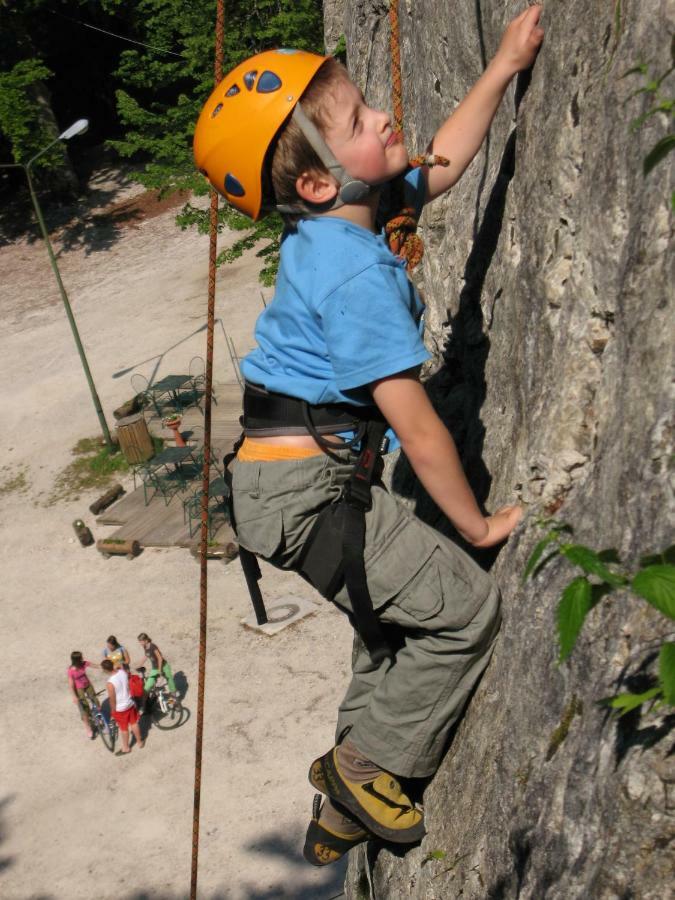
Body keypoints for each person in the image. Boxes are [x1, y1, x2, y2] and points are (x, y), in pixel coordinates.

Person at [193, 5, 544, 865]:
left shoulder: (342, 219)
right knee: (462, 611)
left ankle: (341, 808)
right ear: (316, 183)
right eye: (357, 121)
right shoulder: (350, 273)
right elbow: (415, 425)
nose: (386, 117)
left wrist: (500, 68)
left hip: (290, 482)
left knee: (389, 627)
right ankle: (364, 767)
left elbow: (442, 163)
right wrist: (477, 526)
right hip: (304, 492)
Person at [101, 658, 144, 755]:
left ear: (105, 670)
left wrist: (113, 711)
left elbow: (112, 699)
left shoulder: (110, 683)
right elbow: (120, 665)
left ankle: (126, 748)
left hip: (120, 708)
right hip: (130, 702)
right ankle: (140, 742)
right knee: (134, 723)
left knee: (124, 729)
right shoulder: (123, 672)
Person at [67, 651, 101, 739]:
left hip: (88, 685)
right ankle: (88, 727)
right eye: (81, 658)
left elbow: (95, 665)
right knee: (84, 708)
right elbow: (71, 685)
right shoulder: (71, 670)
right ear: (76, 660)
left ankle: (100, 719)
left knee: (96, 701)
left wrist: (103, 666)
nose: (82, 659)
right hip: (79, 689)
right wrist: (74, 697)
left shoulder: (83, 664)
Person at [136, 633, 177, 700]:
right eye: (139, 642)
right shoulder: (145, 647)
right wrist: (139, 665)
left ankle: (175, 702)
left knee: (170, 683)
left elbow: (160, 658)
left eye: (141, 641)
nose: (140, 643)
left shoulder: (153, 646)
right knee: (147, 686)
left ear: (146, 640)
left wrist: (160, 670)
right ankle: (143, 705)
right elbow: (146, 655)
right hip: (155, 668)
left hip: (164, 666)